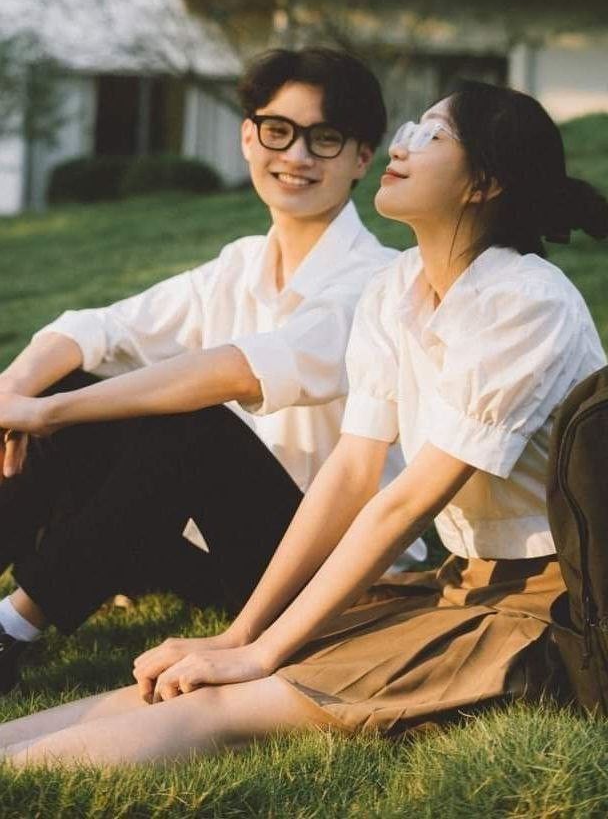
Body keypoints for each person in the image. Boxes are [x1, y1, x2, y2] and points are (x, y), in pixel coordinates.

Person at [1, 79, 606, 768]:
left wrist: (261, 652)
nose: (405, 143)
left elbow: (407, 499)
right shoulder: (396, 289)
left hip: (547, 608)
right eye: (412, 125)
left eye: (434, 134)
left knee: (228, 702)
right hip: (462, 580)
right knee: (187, 684)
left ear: (484, 183)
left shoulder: (527, 303)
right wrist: (240, 636)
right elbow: (352, 472)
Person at [0, 46, 424, 694]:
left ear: (362, 158)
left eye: (326, 139)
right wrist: (15, 394)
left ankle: (11, 629)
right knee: (64, 381)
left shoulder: (376, 282)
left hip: (324, 571)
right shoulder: (239, 265)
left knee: (188, 419)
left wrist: (48, 412)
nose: (297, 156)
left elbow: (239, 374)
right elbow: (96, 328)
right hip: (219, 551)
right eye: (278, 131)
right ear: (248, 136)